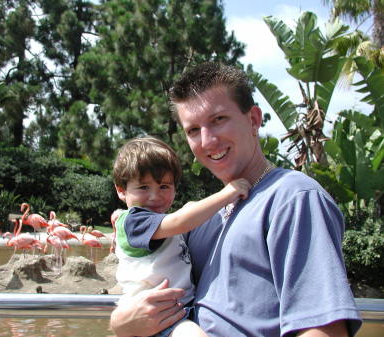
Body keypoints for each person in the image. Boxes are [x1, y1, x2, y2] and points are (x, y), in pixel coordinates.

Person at [110, 62, 362, 337]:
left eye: (218, 119)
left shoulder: (293, 198)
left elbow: (323, 330)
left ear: (253, 119)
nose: (207, 141)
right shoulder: (206, 219)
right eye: (193, 130)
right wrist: (121, 323)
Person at [112, 136, 250, 337]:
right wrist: (228, 193)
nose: (155, 196)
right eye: (143, 187)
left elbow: (183, 216)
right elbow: (180, 221)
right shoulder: (134, 221)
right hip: (159, 317)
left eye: (164, 186)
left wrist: (191, 208)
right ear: (121, 191)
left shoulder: (158, 222)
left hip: (176, 310)